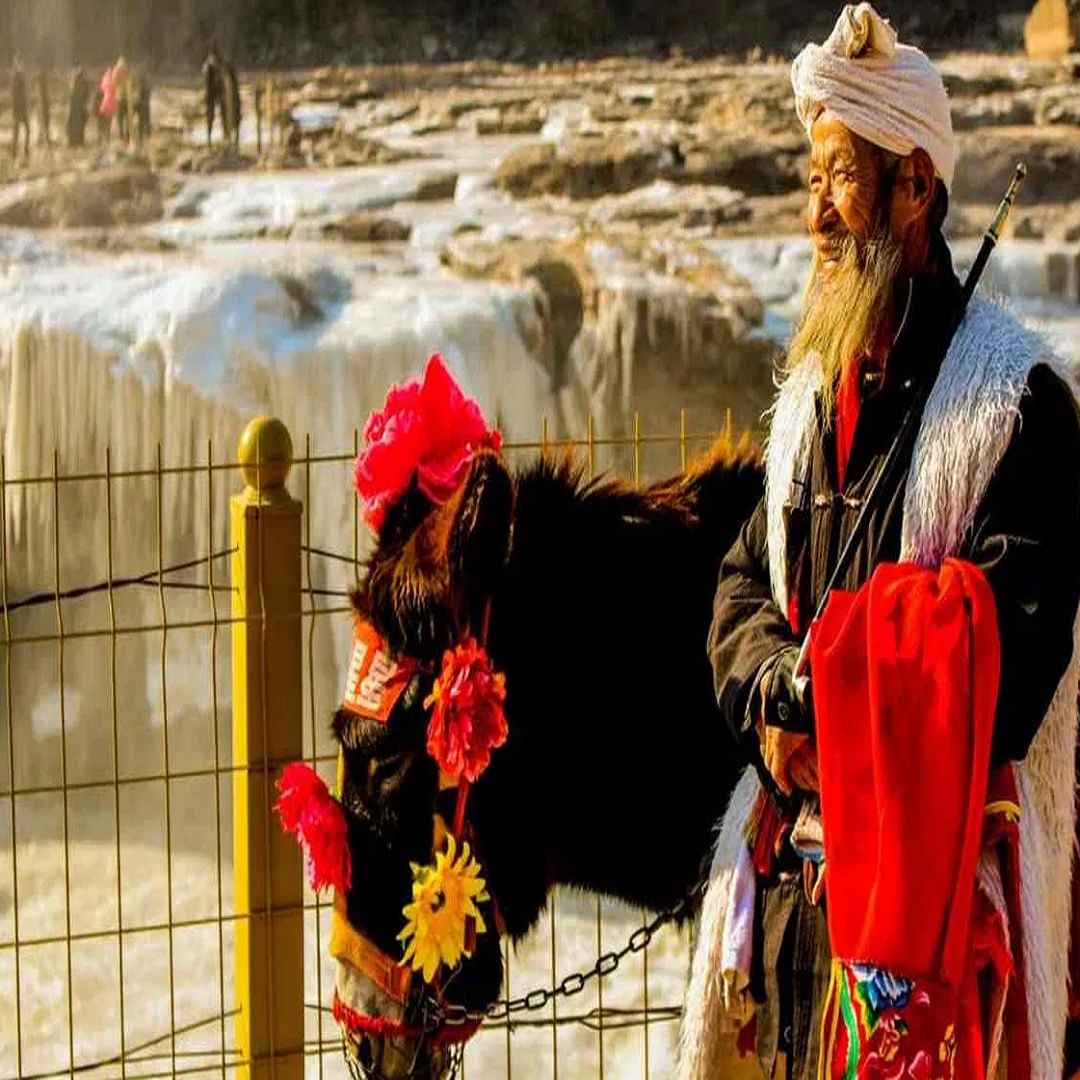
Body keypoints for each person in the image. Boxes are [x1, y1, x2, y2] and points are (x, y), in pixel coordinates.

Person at [698, 5, 1080, 1080]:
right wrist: (775, 695)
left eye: (839, 176)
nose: (815, 208)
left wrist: (824, 689)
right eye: (809, 178)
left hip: (945, 950)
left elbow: (1007, 655)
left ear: (915, 187)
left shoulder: (1017, 404)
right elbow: (740, 585)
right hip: (795, 935)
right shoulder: (810, 400)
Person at [11, 56, 30, 160]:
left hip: (23, 108)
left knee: (27, 130)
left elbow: (23, 94)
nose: (21, 66)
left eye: (22, 64)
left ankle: (25, 150)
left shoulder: (21, 76)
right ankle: (14, 152)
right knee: (17, 132)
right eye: (19, 64)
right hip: (18, 109)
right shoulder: (16, 78)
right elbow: (15, 95)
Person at [66, 64, 88, 147]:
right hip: (76, 108)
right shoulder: (79, 83)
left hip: (77, 108)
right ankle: (75, 141)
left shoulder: (75, 83)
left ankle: (75, 141)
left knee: (77, 126)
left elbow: (84, 96)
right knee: (77, 126)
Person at [37, 67, 50, 146]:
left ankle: (44, 138)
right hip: (42, 108)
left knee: (44, 123)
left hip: (43, 108)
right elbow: (41, 101)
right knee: (44, 123)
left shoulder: (41, 88)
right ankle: (44, 138)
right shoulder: (40, 88)